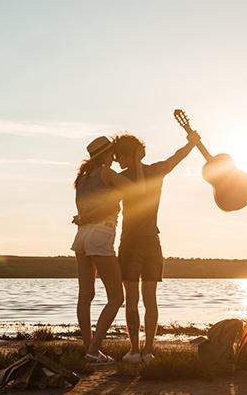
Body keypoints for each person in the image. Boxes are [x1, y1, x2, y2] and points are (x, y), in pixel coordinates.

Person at [112, 132, 200, 364]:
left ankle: (140, 350)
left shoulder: (123, 178)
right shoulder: (151, 172)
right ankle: (144, 350)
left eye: (119, 155)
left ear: (129, 155)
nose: (116, 160)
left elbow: (176, 158)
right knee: (146, 299)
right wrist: (191, 143)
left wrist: (190, 143)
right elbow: (176, 157)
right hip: (148, 242)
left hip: (135, 243)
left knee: (138, 299)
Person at [71, 136, 144, 364]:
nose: (114, 156)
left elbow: (87, 209)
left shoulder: (82, 178)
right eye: (112, 153)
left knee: (86, 296)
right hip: (100, 235)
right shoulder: (106, 173)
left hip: (81, 236)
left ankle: (89, 350)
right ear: (105, 155)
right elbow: (139, 191)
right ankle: (93, 350)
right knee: (116, 297)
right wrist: (138, 163)